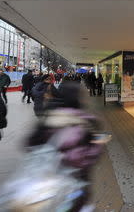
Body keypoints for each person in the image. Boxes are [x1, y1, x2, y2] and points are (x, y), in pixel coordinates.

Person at [27, 82, 105, 211]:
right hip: (75, 187)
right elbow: (88, 156)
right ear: (78, 98)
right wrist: (97, 146)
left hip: (47, 187)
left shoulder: (48, 118)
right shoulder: (86, 121)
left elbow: (30, 144)